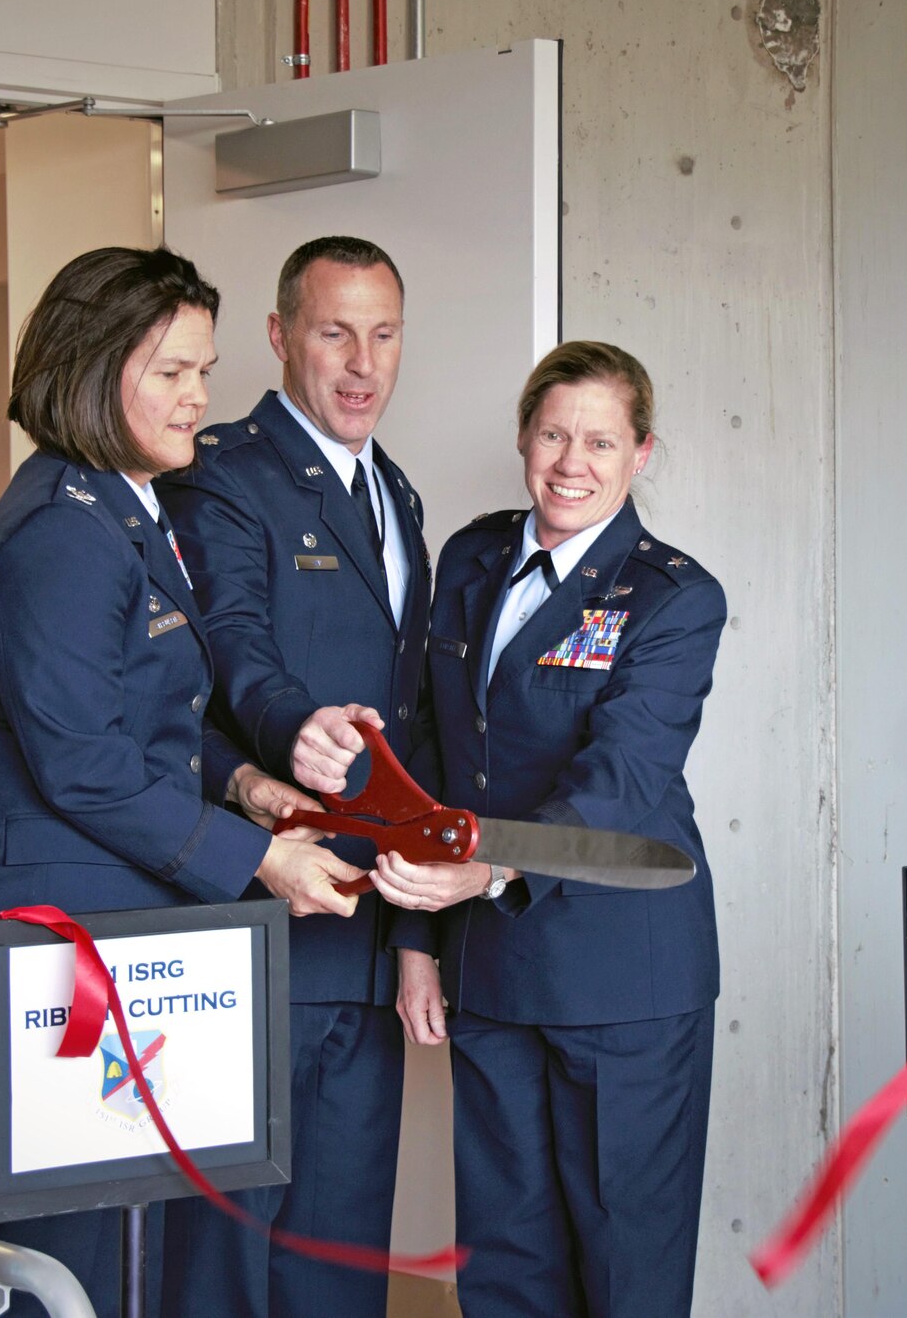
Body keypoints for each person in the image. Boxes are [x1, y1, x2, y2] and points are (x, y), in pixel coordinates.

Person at [0, 246, 362, 1315]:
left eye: (202, 370)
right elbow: (86, 763)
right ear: (93, 365)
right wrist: (264, 858)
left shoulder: (121, 512)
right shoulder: (64, 534)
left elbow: (140, 714)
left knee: (122, 1262)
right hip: (38, 955)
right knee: (59, 1275)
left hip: (95, 945)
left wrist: (245, 783)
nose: (197, 397)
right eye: (169, 372)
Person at [371, 341, 728, 1317]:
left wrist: (481, 869)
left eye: (600, 441)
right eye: (553, 433)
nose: (572, 462)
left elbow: (619, 779)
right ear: (523, 437)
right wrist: (413, 941)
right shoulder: (473, 556)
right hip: (488, 969)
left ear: (640, 453)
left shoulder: (672, 595)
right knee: (502, 1268)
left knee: (624, 1272)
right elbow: (433, 759)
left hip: (623, 976)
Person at [157, 236, 435, 1317]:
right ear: (278, 338)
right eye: (333, 331)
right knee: (230, 1248)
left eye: (383, 332)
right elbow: (230, 644)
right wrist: (293, 731)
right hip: (265, 909)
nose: (361, 361)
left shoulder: (393, 490)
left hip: (366, 919)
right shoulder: (225, 475)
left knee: (339, 1244)